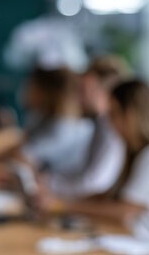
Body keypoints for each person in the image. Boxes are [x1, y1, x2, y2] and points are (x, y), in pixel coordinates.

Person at [40, 79, 149, 230]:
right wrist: (59, 201)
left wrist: (62, 206)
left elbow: (124, 210)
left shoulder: (146, 156)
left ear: (130, 115)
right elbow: (111, 196)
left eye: (114, 113)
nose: (110, 121)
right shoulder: (132, 153)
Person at [48, 56, 129, 198]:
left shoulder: (111, 129)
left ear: (104, 92)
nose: (77, 98)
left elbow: (94, 182)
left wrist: (49, 184)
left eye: (84, 91)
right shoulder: (99, 125)